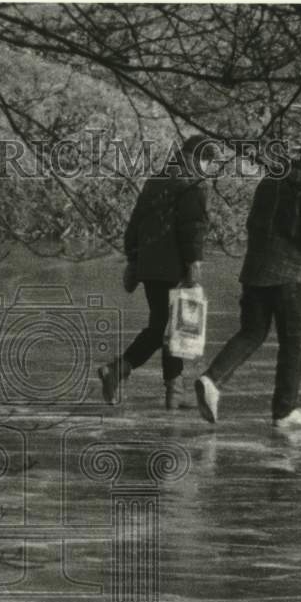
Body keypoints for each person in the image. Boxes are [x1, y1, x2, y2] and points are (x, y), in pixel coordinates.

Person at [194, 137, 301, 429]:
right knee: (292, 344)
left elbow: (253, 223)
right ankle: (285, 411)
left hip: (255, 272)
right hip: (289, 277)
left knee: (251, 333)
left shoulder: (270, 181)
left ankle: (211, 379)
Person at [97, 134, 210, 410]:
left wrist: (134, 258)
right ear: (201, 159)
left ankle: (173, 390)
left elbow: (134, 224)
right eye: (209, 163)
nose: (208, 169)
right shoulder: (192, 184)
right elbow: (192, 228)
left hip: (150, 266)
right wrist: (194, 262)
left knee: (164, 326)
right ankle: (122, 370)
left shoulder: (155, 181)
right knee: (168, 329)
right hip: (175, 267)